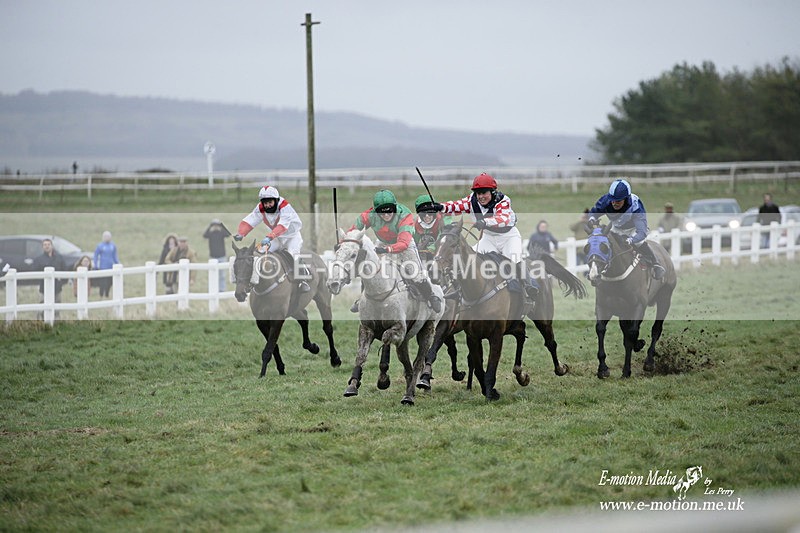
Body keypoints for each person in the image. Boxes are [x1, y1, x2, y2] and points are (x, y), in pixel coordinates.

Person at [431, 173, 539, 302]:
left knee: (514, 259)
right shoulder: (472, 200)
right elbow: (457, 206)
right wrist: (441, 207)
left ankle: (529, 286)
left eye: (484, 193)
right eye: (478, 193)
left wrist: (485, 222)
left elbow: (503, 218)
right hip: (489, 238)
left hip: (508, 237)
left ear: (492, 192)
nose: (481, 196)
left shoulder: (503, 201)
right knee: (470, 260)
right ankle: (459, 289)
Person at [348, 189, 443, 313]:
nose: (386, 215)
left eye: (389, 211)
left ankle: (430, 296)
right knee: (369, 270)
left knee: (415, 273)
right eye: (382, 213)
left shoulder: (405, 215)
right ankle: (362, 298)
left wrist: (387, 249)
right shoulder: (368, 216)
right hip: (382, 242)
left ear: (395, 207)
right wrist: (343, 243)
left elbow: (403, 243)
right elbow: (353, 233)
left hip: (405, 243)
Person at [233, 185, 310, 292]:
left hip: (292, 237)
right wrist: (241, 233)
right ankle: (253, 282)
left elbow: (282, 226)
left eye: (270, 202)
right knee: (259, 252)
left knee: (293, 254)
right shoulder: (260, 208)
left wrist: (269, 237)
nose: (267, 205)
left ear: (276, 200)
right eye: (265, 203)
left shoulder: (285, 207)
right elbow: (251, 219)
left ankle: (303, 280)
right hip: (276, 237)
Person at [588, 178, 666, 280]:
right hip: (615, 227)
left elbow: (641, 232)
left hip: (633, 230)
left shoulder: (636, 206)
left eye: (618, 201)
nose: (614, 203)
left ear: (626, 199)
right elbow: (593, 212)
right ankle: (596, 269)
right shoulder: (606, 200)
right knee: (604, 242)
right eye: (613, 200)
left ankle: (655, 264)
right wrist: (592, 219)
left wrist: (631, 240)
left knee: (639, 243)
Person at [32, 238, 66, 319]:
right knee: (42, 306)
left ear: (52, 246)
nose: (47, 246)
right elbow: (34, 272)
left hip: (57, 287)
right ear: (42, 247)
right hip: (44, 288)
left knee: (57, 307)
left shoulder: (59, 258)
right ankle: (41, 321)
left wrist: (62, 281)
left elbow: (64, 270)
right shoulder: (39, 259)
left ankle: (56, 322)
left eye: (48, 244)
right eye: (45, 245)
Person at [413, 194, 452, 260]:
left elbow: (442, 238)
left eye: (430, 213)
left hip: (443, 252)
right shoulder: (415, 223)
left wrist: (431, 249)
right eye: (423, 214)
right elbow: (413, 242)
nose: (427, 216)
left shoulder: (444, 219)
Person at [203, 219, 231, 291]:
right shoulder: (210, 233)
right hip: (213, 257)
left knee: (222, 275)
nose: (215, 227)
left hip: (222, 256)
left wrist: (222, 226)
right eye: (214, 225)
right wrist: (210, 226)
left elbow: (228, 234)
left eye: (217, 225)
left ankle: (222, 290)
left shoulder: (221, 233)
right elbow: (204, 235)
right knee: (212, 274)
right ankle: (213, 289)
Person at [93, 230, 119, 298]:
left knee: (110, 282)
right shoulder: (100, 246)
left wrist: (117, 263)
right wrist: (95, 264)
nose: (107, 238)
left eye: (108, 236)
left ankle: (107, 294)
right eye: (106, 236)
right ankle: (101, 294)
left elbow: (115, 256)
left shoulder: (113, 246)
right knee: (103, 282)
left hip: (111, 267)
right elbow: (96, 255)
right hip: (103, 267)